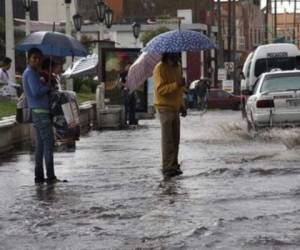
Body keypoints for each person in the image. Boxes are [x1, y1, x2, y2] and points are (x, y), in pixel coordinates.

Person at [22, 48, 63, 184]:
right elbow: (36, 92)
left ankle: (39, 177)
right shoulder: (30, 74)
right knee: (48, 145)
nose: (37, 60)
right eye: (34, 58)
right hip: (41, 113)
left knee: (40, 146)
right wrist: (48, 86)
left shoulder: (32, 73)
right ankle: (50, 176)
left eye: (39, 58)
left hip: (38, 112)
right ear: (29, 58)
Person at [153, 52, 187, 178]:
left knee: (175, 138)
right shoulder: (159, 69)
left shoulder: (177, 68)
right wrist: (176, 84)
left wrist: (182, 105)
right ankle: (167, 167)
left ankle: (174, 164)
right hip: (164, 107)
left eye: (178, 57)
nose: (178, 59)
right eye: (175, 56)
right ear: (169, 56)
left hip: (175, 107)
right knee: (168, 139)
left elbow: (179, 91)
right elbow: (160, 90)